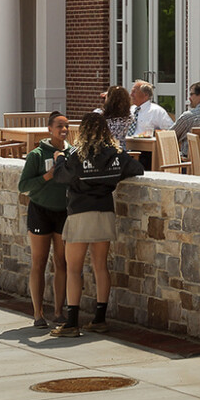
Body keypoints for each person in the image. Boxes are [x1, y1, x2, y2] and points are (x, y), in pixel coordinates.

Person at [53, 109, 141, 337]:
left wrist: (60, 159)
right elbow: (137, 169)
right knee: (101, 266)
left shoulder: (76, 155)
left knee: (73, 269)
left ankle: (72, 323)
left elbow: (61, 176)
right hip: (105, 212)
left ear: (82, 131)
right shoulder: (117, 155)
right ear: (106, 131)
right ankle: (99, 319)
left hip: (81, 213)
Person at [17, 112, 73, 328]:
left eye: (67, 126)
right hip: (40, 211)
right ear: (49, 129)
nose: (64, 129)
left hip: (63, 213)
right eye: (59, 126)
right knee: (39, 263)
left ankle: (59, 312)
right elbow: (24, 186)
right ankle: (38, 314)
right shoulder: (37, 155)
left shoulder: (72, 153)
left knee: (62, 262)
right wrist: (47, 177)